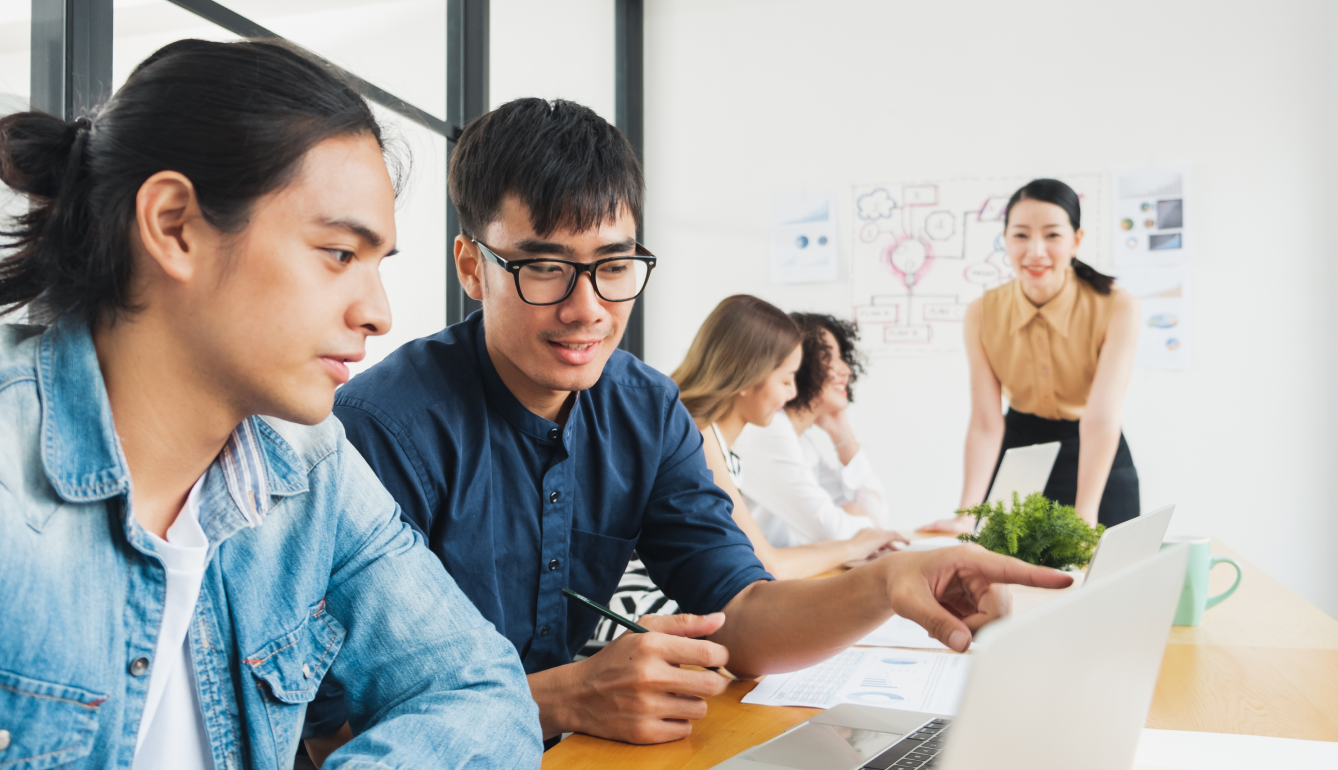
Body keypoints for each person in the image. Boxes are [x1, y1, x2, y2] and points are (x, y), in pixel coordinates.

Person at [310, 97, 1073, 749]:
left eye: (615, 265)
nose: (589, 310)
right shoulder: (381, 431)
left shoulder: (643, 407)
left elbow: (741, 613)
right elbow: (325, 728)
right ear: (472, 266)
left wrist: (887, 585)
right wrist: (563, 698)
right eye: (544, 268)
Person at [0, 40, 540, 769]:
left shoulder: (310, 470)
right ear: (174, 226)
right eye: (340, 254)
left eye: (377, 266)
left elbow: (478, 687)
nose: (379, 313)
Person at [586, 297, 901, 649]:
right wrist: (856, 546)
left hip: (671, 604)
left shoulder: (719, 442)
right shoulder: (697, 435)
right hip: (639, 615)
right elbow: (768, 564)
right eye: (786, 380)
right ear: (748, 377)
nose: (793, 392)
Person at [922, 178, 1141, 534]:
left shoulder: (1117, 306)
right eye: (1021, 235)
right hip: (1020, 452)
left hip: (1095, 452)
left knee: (1110, 577)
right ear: (1005, 239)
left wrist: (1085, 512)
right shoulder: (982, 312)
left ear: (1076, 241)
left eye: (1052, 235)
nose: (1035, 251)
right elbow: (986, 422)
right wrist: (966, 514)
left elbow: (1101, 419)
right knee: (1008, 580)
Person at [738, 312, 899, 548]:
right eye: (831, 357)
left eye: (843, 358)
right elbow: (832, 534)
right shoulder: (769, 432)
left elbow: (875, 515)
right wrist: (859, 521)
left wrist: (841, 431)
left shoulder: (800, 442)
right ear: (802, 362)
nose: (846, 370)